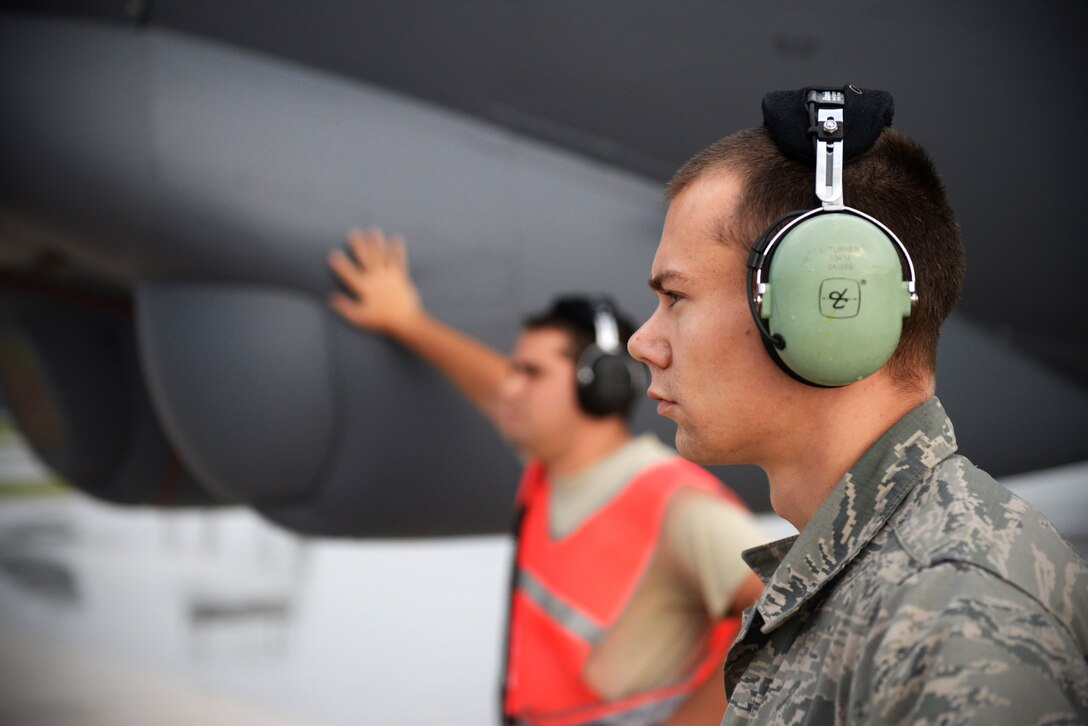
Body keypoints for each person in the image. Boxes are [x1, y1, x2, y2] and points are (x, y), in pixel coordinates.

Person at [627, 86, 1088, 724]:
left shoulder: (955, 619)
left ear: (827, 301)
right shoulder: (891, 586)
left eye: (675, 297)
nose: (642, 342)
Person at [327, 228, 767, 726]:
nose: (510, 389)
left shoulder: (679, 506)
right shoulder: (551, 469)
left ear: (599, 387)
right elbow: (492, 386)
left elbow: (782, 620)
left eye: (531, 374)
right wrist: (408, 322)